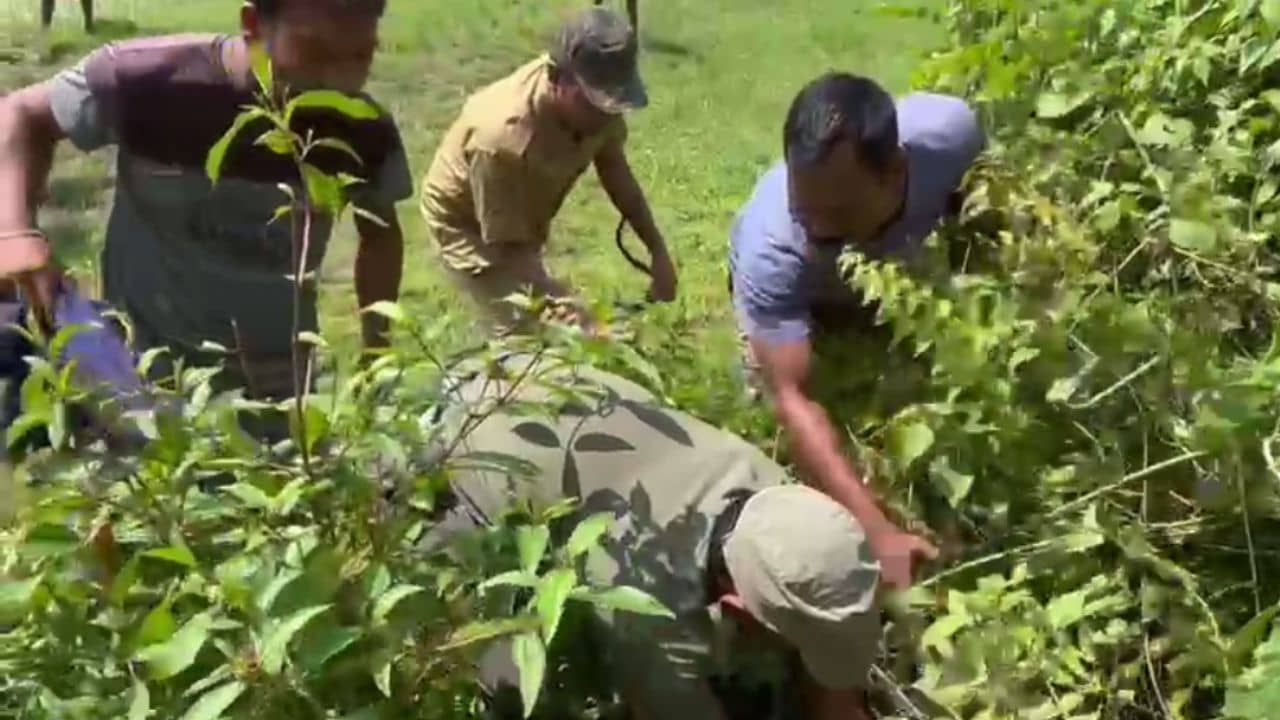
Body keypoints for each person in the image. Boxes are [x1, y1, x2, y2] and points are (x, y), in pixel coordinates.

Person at [425, 355, 892, 720]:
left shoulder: (779, 501)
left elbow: (832, 626)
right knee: (509, 678)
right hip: (452, 439)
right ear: (734, 609)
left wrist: (839, 699)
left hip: (538, 377)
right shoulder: (646, 603)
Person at [0, 0, 412, 413]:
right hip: (141, 374)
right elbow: (21, 113)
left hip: (277, 389)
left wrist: (375, 353)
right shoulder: (149, 81)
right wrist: (15, 231)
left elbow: (379, 233)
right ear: (253, 25)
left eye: (361, 56)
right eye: (314, 51)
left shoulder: (361, 128)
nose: (337, 80)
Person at [726, 72, 986, 587]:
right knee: (783, 426)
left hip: (889, 279)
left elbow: (983, 219)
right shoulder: (773, 249)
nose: (820, 230)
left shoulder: (951, 137)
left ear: (896, 172)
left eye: (839, 212)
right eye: (807, 212)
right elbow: (793, 399)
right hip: (803, 299)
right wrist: (877, 533)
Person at [419, 7, 678, 335]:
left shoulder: (598, 106)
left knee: (557, 317)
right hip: (467, 224)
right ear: (557, 79)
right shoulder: (502, 140)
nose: (606, 117)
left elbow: (614, 168)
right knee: (526, 329)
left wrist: (657, 251)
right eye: (596, 104)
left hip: (522, 205)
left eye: (615, 103)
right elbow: (508, 249)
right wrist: (571, 310)